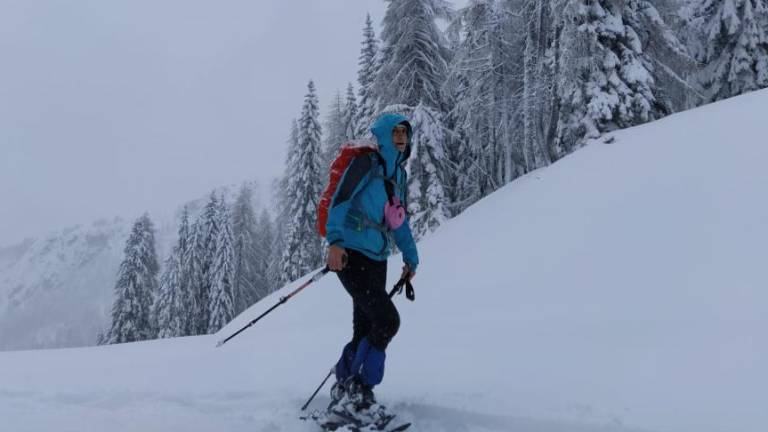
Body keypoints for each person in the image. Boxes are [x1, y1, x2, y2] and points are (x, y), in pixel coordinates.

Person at [325, 112, 419, 417]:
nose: (401, 137)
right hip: (351, 255)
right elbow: (340, 199)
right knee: (388, 320)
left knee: (365, 326)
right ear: (382, 135)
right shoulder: (366, 164)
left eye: (405, 132)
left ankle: (344, 386)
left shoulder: (398, 176)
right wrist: (335, 241)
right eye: (395, 132)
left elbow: (399, 221)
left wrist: (410, 256)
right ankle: (359, 391)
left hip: (378, 259)